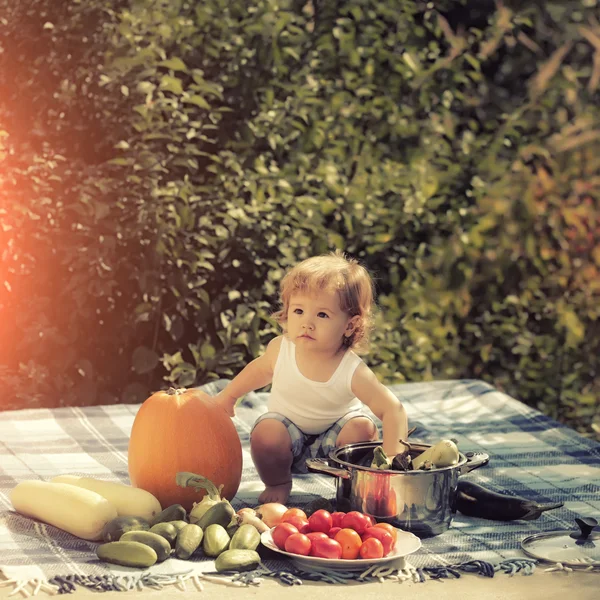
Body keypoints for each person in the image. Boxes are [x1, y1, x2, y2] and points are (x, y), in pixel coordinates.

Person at [214, 250, 408, 504]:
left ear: (349, 325)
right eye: (298, 311)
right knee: (266, 431)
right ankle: (278, 482)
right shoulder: (281, 349)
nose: (307, 323)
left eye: (322, 314)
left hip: (336, 445)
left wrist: (394, 465)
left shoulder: (351, 370)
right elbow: (258, 371)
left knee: (362, 428)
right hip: (288, 437)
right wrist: (229, 395)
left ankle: (351, 488)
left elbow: (393, 410)